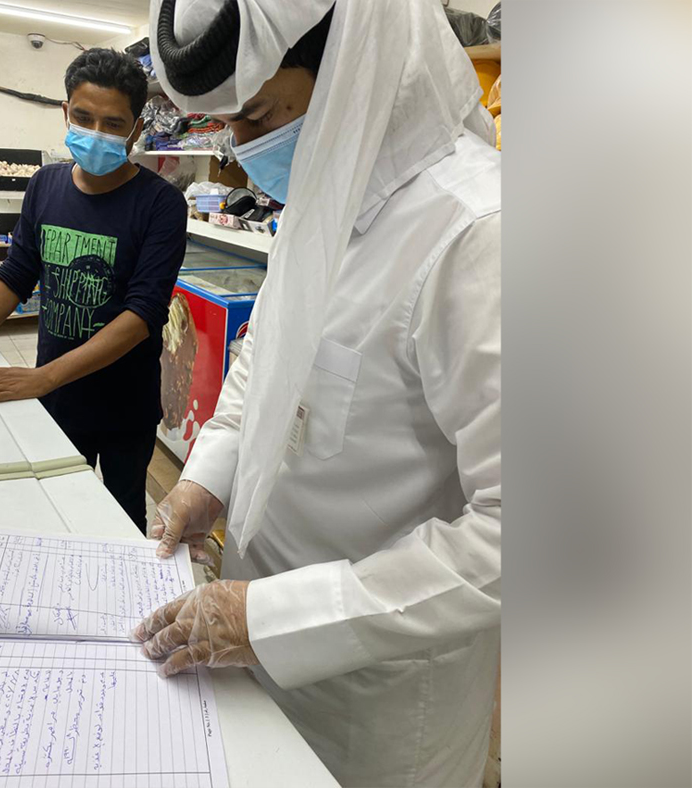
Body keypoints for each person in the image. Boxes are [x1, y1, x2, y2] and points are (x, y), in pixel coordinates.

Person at [132, 1, 502, 786]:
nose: (242, 146)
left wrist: (269, 619)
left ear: (355, 71)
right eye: (228, 123)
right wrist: (206, 481)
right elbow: (265, 362)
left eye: (261, 114)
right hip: (250, 648)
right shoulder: (325, 197)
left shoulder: (481, 233)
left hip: (381, 705)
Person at [0, 48, 188, 531]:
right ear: (65, 112)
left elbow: (143, 314)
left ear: (136, 129)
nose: (95, 132)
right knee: (58, 512)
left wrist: (44, 377)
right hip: (57, 399)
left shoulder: (160, 204)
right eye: (83, 117)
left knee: (122, 515)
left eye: (113, 123)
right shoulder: (45, 184)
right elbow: (16, 274)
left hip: (124, 405)